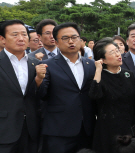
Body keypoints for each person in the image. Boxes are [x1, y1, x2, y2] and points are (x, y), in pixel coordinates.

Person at [38, 22, 96, 153]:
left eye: (74, 37)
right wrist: (38, 79)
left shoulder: (91, 64)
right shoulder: (47, 65)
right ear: (57, 42)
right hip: (59, 130)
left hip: (86, 128)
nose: (71, 41)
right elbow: (41, 95)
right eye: (65, 38)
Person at [89, 37, 135, 153]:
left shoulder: (128, 75)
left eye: (117, 51)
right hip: (106, 130)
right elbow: (94, 96)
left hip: (128, 128)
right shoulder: (98, 77)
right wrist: (98, 70)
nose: (118, 55)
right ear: (103, 60)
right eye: (112, 53)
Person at [0, 20, 43, 153]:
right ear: (2, 39)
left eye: (24, 34)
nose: (21, 38)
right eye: (15, 35)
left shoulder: (36, 64)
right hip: (4, 130)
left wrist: (39, 80)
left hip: (31, 130)